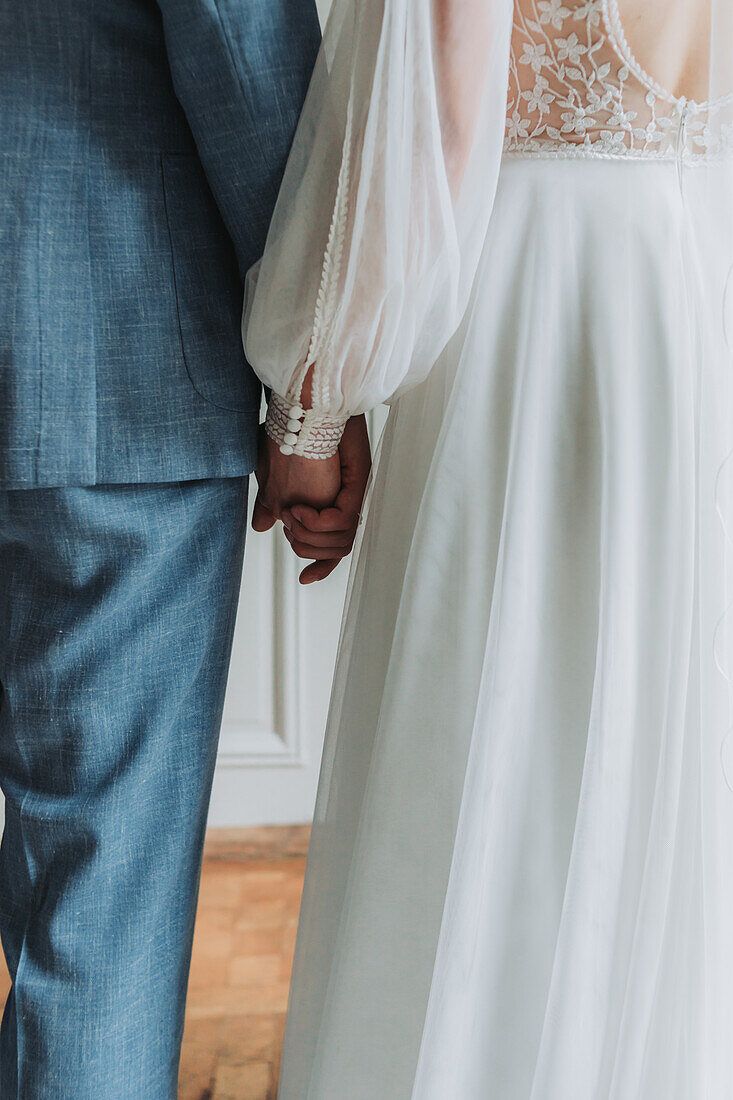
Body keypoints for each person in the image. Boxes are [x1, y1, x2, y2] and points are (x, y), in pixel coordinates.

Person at [246, 0, 733, 1095]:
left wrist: (311, 415)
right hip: (670, 302)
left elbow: (442, 132)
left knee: (484, 730)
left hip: (520, 310)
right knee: (626, 729)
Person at [0, 1, 324, 1095]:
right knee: (101, 905)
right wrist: (315, 377)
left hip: (103, 379)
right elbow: (241, 47)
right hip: (103, 349)